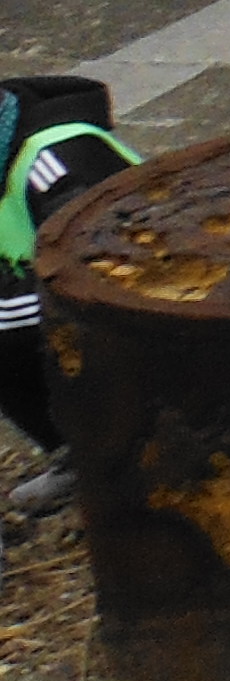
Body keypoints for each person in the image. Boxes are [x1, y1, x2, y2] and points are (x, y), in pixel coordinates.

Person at [0, 76, 137, 522]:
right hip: (74, 324)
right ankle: (81, 452)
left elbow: (108, 276)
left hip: (152, 327)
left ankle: (129, 457)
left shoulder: (58, 159)